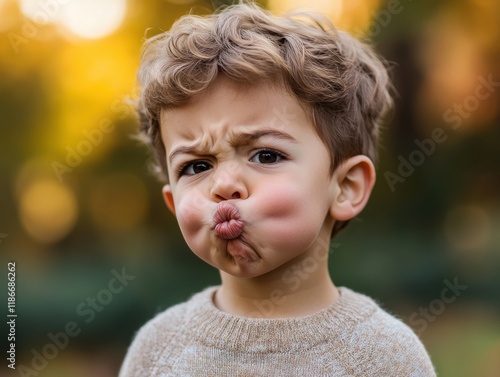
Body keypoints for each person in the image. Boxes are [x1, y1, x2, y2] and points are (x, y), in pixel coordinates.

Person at [119, 2, 436, 376]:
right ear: (174, 203)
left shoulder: (384, 356)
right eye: (196, 166)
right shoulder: (157, 351)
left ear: (346, 187)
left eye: (266, 156)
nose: (223, 186)